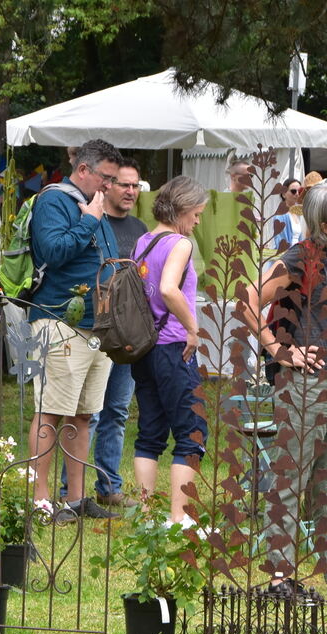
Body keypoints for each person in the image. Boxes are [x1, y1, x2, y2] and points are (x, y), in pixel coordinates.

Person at [243, 182, 327, 597]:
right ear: (323, 223)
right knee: (290, 478)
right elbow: (246, 300)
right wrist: (280, 351)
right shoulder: (301, 258)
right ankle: (280, 575)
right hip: (308, 384)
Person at [26, 138, 121, 521]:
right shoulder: (53, 201)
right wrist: (89, 221)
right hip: (59, 320)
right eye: (106, 178)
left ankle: (76, 500)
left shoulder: (94, 204)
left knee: (83, 414)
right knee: (50, 410)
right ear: (84, 170)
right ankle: (41, 502)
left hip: (95, 326)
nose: (110, 187)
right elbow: (53, 251)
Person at [60, 157, 149, 508]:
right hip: (92, 328)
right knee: (86, 412)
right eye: (123, 184)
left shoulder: (140, 228)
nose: (129, 191)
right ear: (106, 186)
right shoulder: (92, 220)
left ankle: (109, 484)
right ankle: (73, 489)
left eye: (135, 186)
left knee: (117, 409)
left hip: (125, 332)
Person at [129, 176, 207, 522]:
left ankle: (146, 516)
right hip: (174, 346)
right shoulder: (179, 243)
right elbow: (168, 289)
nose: (198, 221)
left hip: (145, 347)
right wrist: (193, 328)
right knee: (191, 433)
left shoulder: (143, 240)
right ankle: (179, 518)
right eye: (197, 213)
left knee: (150, 434)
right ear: (183, 209)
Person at [273, 178, 306, 249]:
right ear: (284, 194)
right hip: (287, 256)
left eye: (299, 191)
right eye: (293, 191)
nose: (297, 194)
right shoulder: (281, 215)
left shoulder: (297, 213)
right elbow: (281, 242)